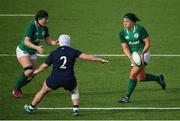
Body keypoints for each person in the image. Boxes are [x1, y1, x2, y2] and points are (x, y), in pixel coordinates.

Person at [24, 34, 109, 116]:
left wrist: (36, 71)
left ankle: (31, 108)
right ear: (69, 42)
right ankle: (76, 109)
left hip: (55, 78)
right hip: (69, 79)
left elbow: (44, 66)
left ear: (59, 42)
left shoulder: (54, 53)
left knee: (43, 91)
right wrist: (100, 59)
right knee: (74, 90)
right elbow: (87, 57)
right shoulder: (73, 51)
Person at [118, 13, 166, 103]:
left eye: (127, 21)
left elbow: (148, 43)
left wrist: (143, 52)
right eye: (124, 21)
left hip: (144, 54)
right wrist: (130, 58)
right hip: (135, 57)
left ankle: (126, 97)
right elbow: (125, 48)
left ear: (132, 22)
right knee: (141, 78)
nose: (124, 23)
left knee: (132, 75)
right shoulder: (122, 33)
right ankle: (158, 78)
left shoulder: (140, 29)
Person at [12, 10, 59, 98]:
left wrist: (54, 42)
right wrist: (37, 47)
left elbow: (48, 39)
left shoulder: (45, 28)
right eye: (45, 19)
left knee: (32, 74)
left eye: (47, 19)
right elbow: (26, 41)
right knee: (28, 70)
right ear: (39, 19)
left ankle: (18, 88)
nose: (47, 21)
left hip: (32, 53)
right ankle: (16, 89)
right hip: (23, 51)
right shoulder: (32, 26)